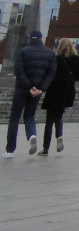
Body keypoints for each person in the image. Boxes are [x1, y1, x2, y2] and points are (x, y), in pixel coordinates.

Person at [4, 31, 57, 159]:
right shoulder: (50, 53)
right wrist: (41, 88)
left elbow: (18, 70)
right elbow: (51, 73)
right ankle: (32, 136)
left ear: (30, 39)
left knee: (15, 118)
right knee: (29, 115)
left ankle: (10, 150)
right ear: (41, 39)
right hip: (37, 91)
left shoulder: (23, 51)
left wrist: (29, 86)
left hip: (22, 88)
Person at [39, 38, 79, 155]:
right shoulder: (77, 59)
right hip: (67, 91)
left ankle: (45, 149)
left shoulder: (56, 59)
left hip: (54, 91)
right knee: (59, 117)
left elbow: (49, 74)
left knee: (49, 121)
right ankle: (59, 137)